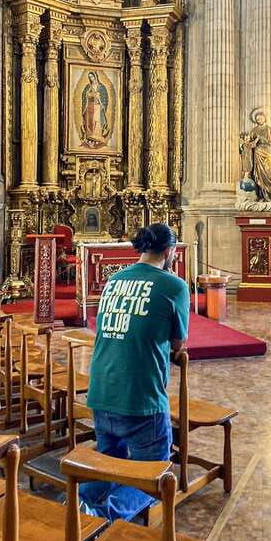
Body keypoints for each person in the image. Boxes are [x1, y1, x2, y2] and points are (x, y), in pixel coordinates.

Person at [81, 223, 190, 521]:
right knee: (154, 475)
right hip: (141, 396)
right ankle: (101, 519)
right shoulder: (174, 286)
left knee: (109, 462)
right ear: (169, 251)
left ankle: (77, 508)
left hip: (102, 390)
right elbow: (178, 342)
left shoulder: (114, 279)